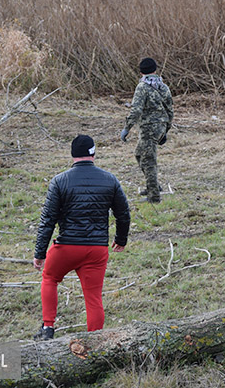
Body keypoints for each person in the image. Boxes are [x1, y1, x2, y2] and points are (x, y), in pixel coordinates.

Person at [33, 134, 130, 341]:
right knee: (93, 297)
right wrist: (121, 239)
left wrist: (40, 253)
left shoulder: (59, 181)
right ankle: (95, 341)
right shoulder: (109, 179)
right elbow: (123, 213)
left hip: (67, 246)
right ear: (93, 153)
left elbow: (48, 219)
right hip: (96, 249)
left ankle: (48, 327)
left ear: (72, 154)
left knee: (49, 278)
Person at [120, 58, 174, 203]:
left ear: (140, 72)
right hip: (160, 127)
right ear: (155, 70)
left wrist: (126, 128)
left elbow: (136, 110)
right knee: (139, 154)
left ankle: (154, 196)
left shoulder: (142, 87)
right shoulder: (163, 87)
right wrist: (165, 130)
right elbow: (170, 111)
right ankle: (153, 185)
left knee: (149, 160)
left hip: (148, 129)